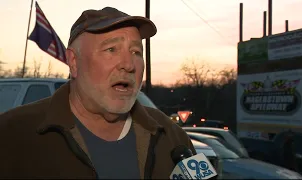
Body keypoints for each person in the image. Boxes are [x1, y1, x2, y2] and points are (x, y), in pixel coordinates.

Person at [0, 7, 195, 179]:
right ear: (74, 62)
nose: (128, 65)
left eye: (136, 52)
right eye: (111, 49)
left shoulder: (173, 138)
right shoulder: (12, 134)